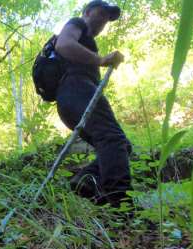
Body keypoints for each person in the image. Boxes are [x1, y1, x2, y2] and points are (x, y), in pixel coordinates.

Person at [55, 0, 132, 207]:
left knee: (121, 144)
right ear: (87, 12)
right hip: (76, 90)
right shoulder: (78, 23)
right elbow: (63, 44)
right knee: (113, 139)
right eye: (101, 13)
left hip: (73, 98)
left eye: (107, 19)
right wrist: (100, 60)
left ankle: (84, 182)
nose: (104, 20)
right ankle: (122, 206)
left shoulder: (88, 41)